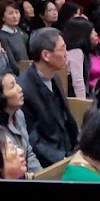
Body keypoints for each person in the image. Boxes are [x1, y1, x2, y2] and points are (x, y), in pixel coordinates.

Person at [18, 28, 80, 167]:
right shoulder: (23, 88)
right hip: (50, 162)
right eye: (62, 49)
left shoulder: (55, 77)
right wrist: (62, 159)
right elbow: (32, 138)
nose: (66, 54)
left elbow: (66, 119)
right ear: (46, 55)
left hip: (69, 150)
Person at [0, 71, 40, 175]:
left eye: (16, 83)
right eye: (12, 86)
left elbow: (28, 153)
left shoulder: (18, 114)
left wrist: (42, 177)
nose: (20, 89)